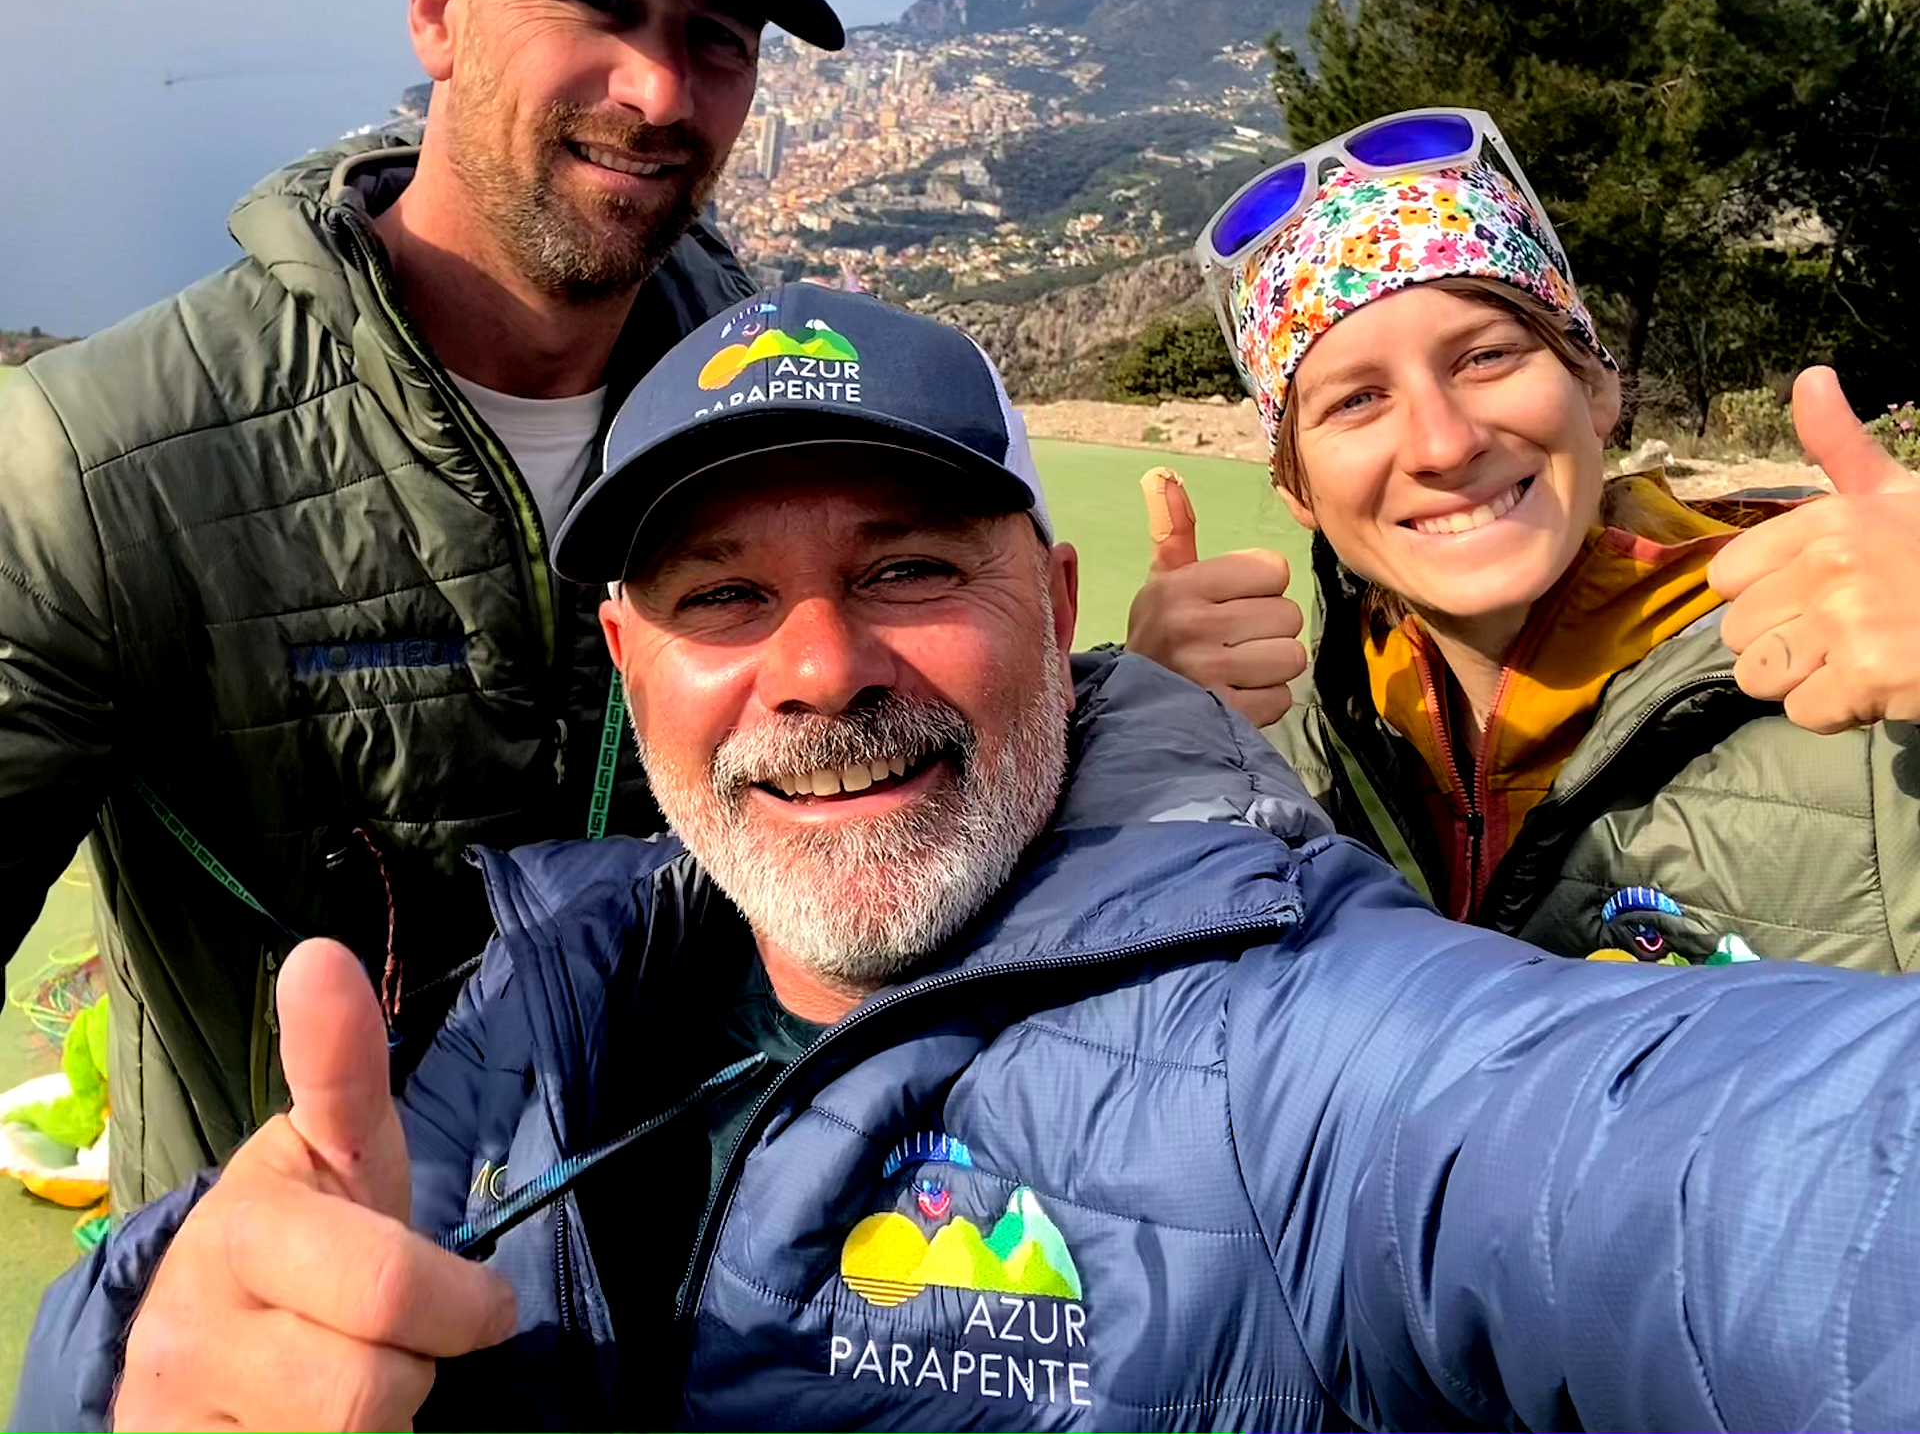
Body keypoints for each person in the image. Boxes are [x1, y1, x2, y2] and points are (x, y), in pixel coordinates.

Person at [28, 284, 1920, 1434]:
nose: (821, 665)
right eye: (724, 595)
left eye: (911, 570)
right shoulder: (530, 989)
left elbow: (1737, 1185)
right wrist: (148, 1344)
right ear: (626, 661)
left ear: (1063, 607)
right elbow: (244, 1309)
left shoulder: (1289, 1051)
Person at [0, 0, 846, 1209]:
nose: (659, 89)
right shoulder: (106, 461)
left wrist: (1093, 712)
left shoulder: (789, 417)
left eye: (719, 39)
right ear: (439, 7)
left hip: (701, 1324)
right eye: (599, 6)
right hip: (299, 1335)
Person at [1128, 106, 1920, 966]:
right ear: (1299, 490)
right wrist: (1139, 755)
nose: (1445, 443)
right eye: (1356, 399)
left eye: (1486, 357)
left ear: (1596, 386)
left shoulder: (1863, 689)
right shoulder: (1263, 739)